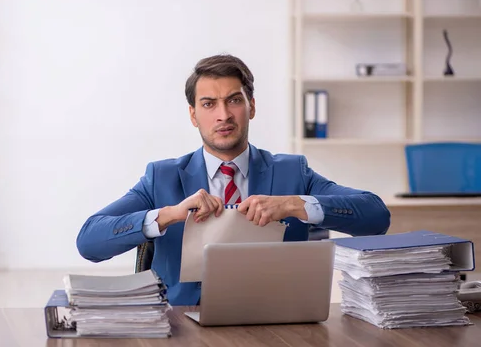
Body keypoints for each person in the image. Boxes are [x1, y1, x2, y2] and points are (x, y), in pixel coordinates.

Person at [76, 54, 391, 306]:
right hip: (184, 324)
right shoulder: (162, 178)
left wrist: (295, 204)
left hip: (276, 324)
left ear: (251, 107)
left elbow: (375, 215)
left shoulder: (292, 172)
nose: (223, 115)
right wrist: (168, 215)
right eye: (209, 104)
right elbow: (89, 241)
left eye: (234, 100)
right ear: (193, 115)